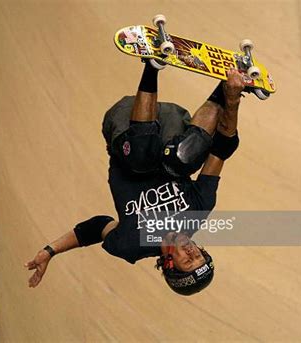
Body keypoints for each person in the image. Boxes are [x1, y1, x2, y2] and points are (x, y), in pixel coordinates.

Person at [26, 60, 245, 295]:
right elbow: (222, 149)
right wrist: (232, 100)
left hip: (124, 127)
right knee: (183, 158)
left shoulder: (130, 244)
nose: (192, 253)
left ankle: (153, 64)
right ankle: (229, 81)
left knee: (143, 158)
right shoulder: (198, 211)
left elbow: (94, 228)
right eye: (199, 256)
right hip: (172, 125)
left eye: (189, 262)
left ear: (170, 265)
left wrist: (50, 251)